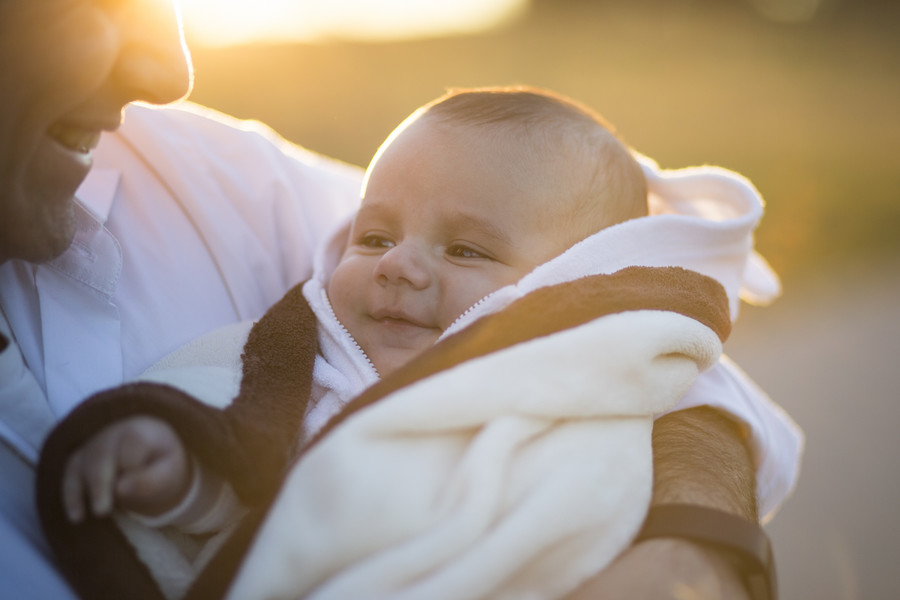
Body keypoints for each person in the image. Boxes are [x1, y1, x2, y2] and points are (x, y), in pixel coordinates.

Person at [0, 0, 800, 598]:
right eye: (374, 240)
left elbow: (688, 365)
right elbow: (242, 484)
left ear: (570, 283)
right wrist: (179, 473)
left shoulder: (184, 168)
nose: (397, 266)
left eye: (465, 251)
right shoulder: (302, 367)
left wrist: (689, 552)